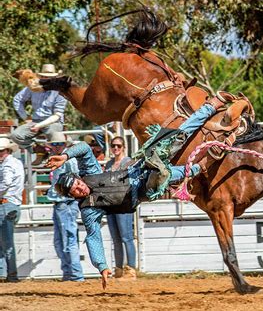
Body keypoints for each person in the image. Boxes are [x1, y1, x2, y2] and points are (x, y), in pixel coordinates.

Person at [46, 100, 224, 288]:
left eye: (77, 182)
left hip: (137, 169)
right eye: (75, 189)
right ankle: (200, 167)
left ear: (79, 178)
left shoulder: (89, 172)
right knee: (159, 175)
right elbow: (93, 237)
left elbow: (82, 148)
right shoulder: (89, 210)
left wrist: (65, 156)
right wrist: (102, 266)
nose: (80, 187)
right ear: (73, 195)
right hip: (141, 191)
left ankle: (209, 107)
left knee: (173, 136)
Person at [45, 132, 84, 282]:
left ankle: (74, 273)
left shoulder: (69, 162)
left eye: (59, 144)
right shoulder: (64, 161)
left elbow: (75, 180)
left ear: (64, 145)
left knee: (68, 237)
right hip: (61, 202)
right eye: (54, 144)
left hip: (65, 202)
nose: (56, 147)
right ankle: (70, 272)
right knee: (62, 239)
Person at [11, 64, 68, 165]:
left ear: (54, 78)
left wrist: (39, 125)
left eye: (49, 77)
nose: (46, 79)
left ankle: (54, 158)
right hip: (36, 120)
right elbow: (17, 99)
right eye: (44, 76)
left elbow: (57, 116)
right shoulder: (33, 87)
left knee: (53, 133)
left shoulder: (60, 91)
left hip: (53, 121)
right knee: (16, 135)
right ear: (40, 77)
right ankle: (39, 151)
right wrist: (25, 117)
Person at [104, 136, 136, 279]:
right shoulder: (109, 163)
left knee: (126, 237)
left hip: (123, 204)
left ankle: (131, 270)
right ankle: (118, 269)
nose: (115, 148)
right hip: (110, 204)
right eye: (113, 146)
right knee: (116, 238)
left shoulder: (128, 162)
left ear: (123, 147)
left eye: (118, 146)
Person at [0, 138, 25, 282]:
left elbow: (5, 184)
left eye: (1, 151)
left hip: (6, 204)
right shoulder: (16, 163)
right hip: (13, 204)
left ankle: (11, 275)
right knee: (5, 241)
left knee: (6, 242)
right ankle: (7, 274)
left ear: (7, 151)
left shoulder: (7, 165)